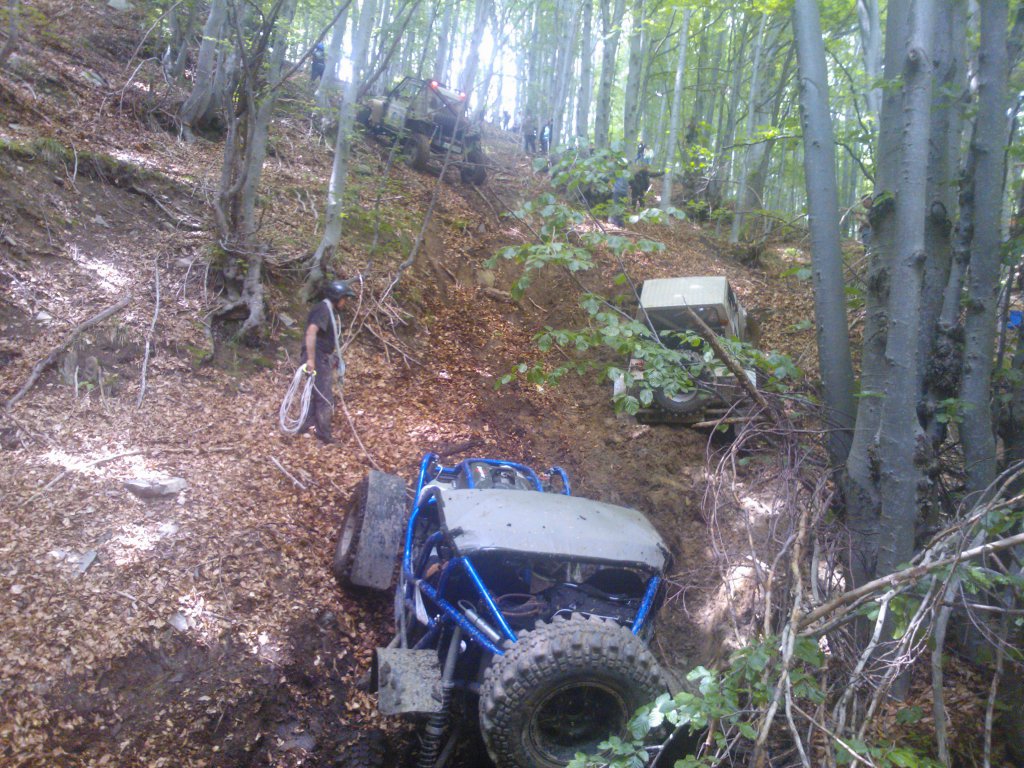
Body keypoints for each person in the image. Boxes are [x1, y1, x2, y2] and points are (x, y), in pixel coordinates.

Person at [299, 279, 355, 444]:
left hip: (321, 355)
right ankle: (324, 435)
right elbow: (311, 332)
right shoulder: (323, 309)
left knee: (314, 392)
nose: (345, 302)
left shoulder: (327, 309)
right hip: (316, 356)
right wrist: (311, 360)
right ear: (336, 297)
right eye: (344, 298)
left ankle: (305, 426)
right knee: (324, 397)